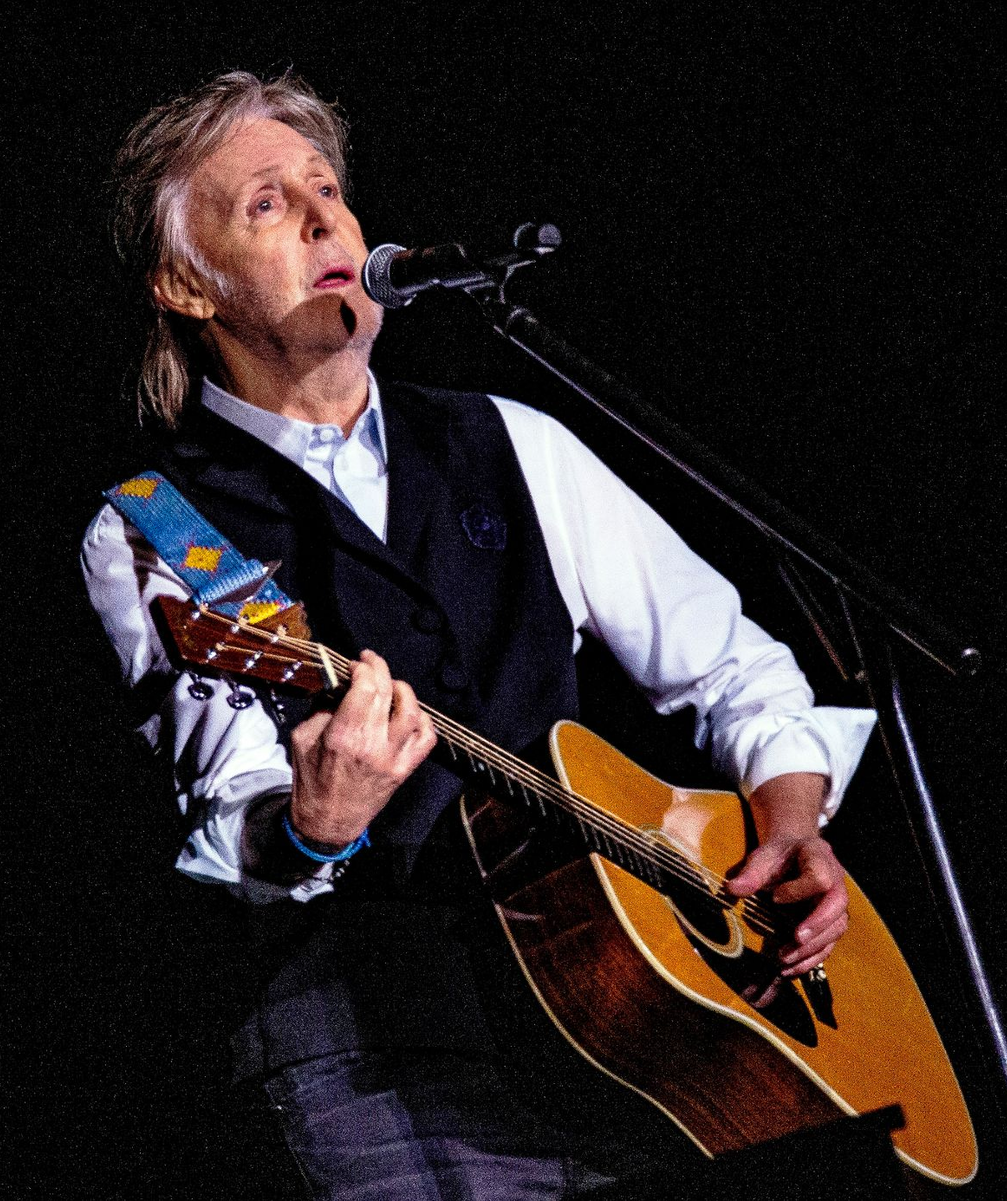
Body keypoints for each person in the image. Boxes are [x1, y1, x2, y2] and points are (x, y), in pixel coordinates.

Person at [83, 71, 876, 1200]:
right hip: (376, 1048)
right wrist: (314, 825)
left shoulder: (510, 436)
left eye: (328, 190)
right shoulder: (156, 526)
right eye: (267, 204)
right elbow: (232, 806)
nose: (325, 221)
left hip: (637, 1029)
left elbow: (739, 668)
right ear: (185, 283)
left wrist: (791, 824)